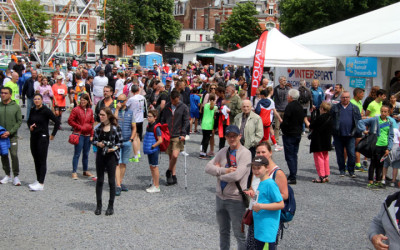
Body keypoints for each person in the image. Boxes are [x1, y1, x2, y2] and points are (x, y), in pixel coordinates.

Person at [205, 125, 252, 250]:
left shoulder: (246, 153)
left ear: (239, 136)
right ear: (225, 137)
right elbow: (207, 167)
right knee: (223, 232)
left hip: (236, 199)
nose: (232, 139)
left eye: (234, 136)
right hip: (220, 198)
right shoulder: (223, 151)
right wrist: (224, 170)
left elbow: (237, 175)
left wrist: (218, 175)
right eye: (229, 136)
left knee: (239, 234)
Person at [244, 141, 288, 249]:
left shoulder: (272, 180)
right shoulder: (260, 178)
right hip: (259, 223)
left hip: (267, 227)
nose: (260, 154)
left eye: (263, 152)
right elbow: (255, 191)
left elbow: (281, 202)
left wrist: (262, 205)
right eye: (258, 152)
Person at [92, 107, 122, 216]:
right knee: (100, 180)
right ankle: (99, 205)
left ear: (108, 116)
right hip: (101, 155)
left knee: (111, 181)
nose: (100, 117)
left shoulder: (115, 128)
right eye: (100, 115)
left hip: (111, 156)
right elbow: (94, 140)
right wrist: (98, 144)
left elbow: (120, 143)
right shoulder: (97, 128)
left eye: (103, 115)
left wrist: (112, 148)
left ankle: (110, 206)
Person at [250, 155, 284, 250]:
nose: (256, 171)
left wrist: (261, 206)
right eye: (254, 168)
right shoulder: (261, 182)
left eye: (259, 168)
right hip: (260, 229)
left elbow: (280, 204)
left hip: (267, 232)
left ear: (267, 168)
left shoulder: (270, 184)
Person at [27, 94, 60, 191]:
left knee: (42, 160)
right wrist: (30, 126)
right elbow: (29, 121)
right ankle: (38, 180)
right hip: (33, 137)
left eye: (38, 99)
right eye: (35, 99)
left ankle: (41, 183)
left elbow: (57, 122)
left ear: (42, 100)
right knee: (36, 159)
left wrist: (53, 134)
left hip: (43, 138)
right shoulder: (33, 109)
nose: (36, 100)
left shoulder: (46, 110)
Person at [358, 105, 394, 189]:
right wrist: (364, 130)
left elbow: (391, 136)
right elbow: (361, 122)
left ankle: (378, 181)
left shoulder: (390, 122)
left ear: (388, 113)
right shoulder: (375, 119)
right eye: (382, 111)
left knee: (380, 164)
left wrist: (389, 148)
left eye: (385, 112)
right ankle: (371, 181)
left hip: (384, 145)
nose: (383, 113)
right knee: (373, 163)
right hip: (375, 144)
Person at [159, 90, 190, 186]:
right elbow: (162, 119)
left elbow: (186, 121)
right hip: (168, 134)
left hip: (178, 135)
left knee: (175, 155)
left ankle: (168, 171)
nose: (176, 103)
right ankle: (173, 175)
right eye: (174, 101)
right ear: (171, 99)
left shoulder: (183, 107)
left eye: (177, 101)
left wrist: (184, 134)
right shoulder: (167, 106)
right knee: (171, 156)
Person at [331, 91, 362, 177]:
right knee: (339, 153)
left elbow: (359, 121)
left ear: (350, 98)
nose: (345, 99)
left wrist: (359, 132)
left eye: (347, 97)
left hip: (351, 135)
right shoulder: (335, 108)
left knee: (351, 154)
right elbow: (330, 119)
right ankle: (342, 170)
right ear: (340, 98)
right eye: (343, 97)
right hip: (338, 134)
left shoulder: (355, 108)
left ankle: (351, 170)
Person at [280, 89, 306, 184]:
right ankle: (293, 173)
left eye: (288, 96)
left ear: (290, 97)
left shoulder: (289, 107)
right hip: (297, 134)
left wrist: (282, 126)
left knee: (289, 156)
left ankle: (292, 176)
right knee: (294, 155)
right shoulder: (300, 106)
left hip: (289, 134)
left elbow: (286, 121)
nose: (287, 97)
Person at [68, 94, 95, 180]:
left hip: (87, 135)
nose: (82, 102)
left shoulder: (90, 111)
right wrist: (79, 126)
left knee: (86, 154)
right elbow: (70, 120)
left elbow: (92, 123)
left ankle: (85, 170)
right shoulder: (76, 110)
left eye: (84, 100)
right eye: (81, 100)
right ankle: (74, 171)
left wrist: (92, 134)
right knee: (77, 153)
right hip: (79, 134)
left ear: (88, 101)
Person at [114, 94, 136, 196]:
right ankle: (117, 185)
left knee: (124, 163)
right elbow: (114, 123)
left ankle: (120, 182)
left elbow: (134, 127)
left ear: (126, 101)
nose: (120, 103)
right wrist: (117, 110)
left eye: (122, 101)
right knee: (117, 163)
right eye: (118, 100)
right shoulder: (115, 111)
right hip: (117, 141)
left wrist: (131, 139)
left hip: (127, 140)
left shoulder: (130, 112)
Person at [306, 101, 333, 183]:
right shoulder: (331, 117)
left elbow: (311, 126)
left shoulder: (319, 118)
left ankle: (321, 176)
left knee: (319, 158)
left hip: (318, 140)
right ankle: (326, 174)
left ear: (322, 108)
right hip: (327, 140)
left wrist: (305, 120)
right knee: (325, 157)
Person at [0, 87, 22, 185]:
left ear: (10, 95)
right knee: (3, 155)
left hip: (12, 136)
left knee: (14, 155)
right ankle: (7, 175)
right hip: (1, 136)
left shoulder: (16, 106)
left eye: (5, 93)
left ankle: (16, 176)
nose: (3, 94)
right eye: (2, 93)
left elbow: (19, 121)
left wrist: (10, 131)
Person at [143, 110, 163, 193]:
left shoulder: (156, 127)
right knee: (152, 167)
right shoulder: (148, 125)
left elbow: (160, 140)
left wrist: (153, 146)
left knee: (155, 167)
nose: (148, 118)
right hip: (150, 150)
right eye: (148, 116)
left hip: (153, 150)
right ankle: (154, 184)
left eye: (150, 116)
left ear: (155, 117)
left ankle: (156, 186)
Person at [126, 84, 147, 162]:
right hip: (140, 119)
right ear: (139, 90)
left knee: (134, 138)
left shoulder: (131, 99)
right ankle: (138, 152)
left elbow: (126, 106)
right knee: (138, 136)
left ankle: (135, 157)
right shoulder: (142, 97)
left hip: (134, 120)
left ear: (131, 91)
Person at [350, 88, 366, 172]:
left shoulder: (360, 102)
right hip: (353, 127)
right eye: (362, 94)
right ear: (358, 94)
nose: (363, 96)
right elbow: (357, 116)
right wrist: (361, 115)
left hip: (359, 126)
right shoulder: (352, 103)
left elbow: (361, 113)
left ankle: (358, 164)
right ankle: (348, 164)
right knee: (350, 146)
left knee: (358, 146)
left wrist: (361, 115)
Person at [199, 93, 217, 159]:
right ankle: (203, 154)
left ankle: (202, 152)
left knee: (204, 139)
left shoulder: (205, 105)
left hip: (204, 124)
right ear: (215, 99)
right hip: (209, 125)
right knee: (207, 140)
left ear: (208, 99)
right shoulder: (215, 107)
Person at [273, 76, 290, 144]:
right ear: (279, 81)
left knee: (286, 126)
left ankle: (287, 139)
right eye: (283, 80)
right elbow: (272, 97)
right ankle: (276, 140)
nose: (285, 81)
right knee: (277, 126)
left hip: (285, 109)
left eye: (285, 80)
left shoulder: (288, 89)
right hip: (278, 109)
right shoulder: (276, 88)